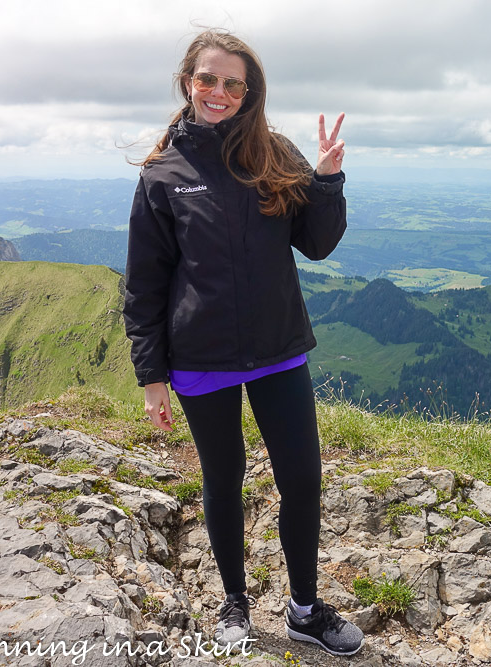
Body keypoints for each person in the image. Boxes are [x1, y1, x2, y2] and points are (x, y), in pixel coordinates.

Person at [122, 29, 363, 657]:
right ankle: (235, 600)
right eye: (208, 79)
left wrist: (328, 181)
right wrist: (152, 377)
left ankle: (304, 611)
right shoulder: (162, 176)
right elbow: (144, 284)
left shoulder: (273, 153)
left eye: (233, 82)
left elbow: (316, 242)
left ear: (249, 90)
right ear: (188, 82)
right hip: (200, 358)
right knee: (223, 479)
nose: (219, 91)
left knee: (303, 479)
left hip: (278, 347)